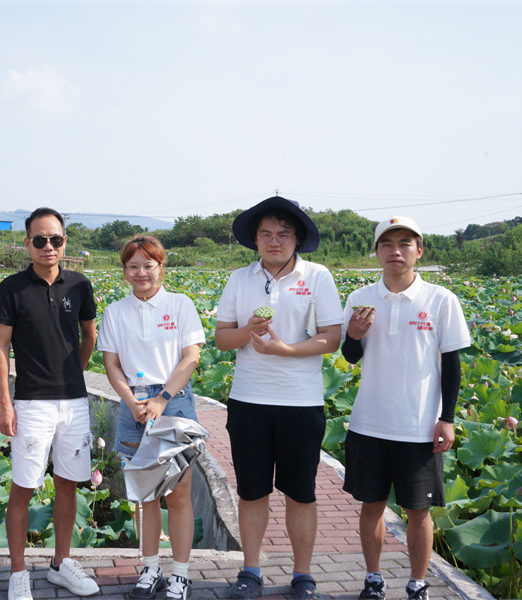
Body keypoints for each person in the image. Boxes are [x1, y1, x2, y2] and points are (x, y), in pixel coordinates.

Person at [214, 196, 343, 600]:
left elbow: (332, 338)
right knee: (251, 492)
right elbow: (222, 338)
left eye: (284, 234)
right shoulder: (240, 279)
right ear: (255, 239)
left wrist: (285, 349)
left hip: (301, 403)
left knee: (301, 493)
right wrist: (248, 331)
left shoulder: (318, 276)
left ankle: (303, 575)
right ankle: (250, 571)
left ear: (297, 239)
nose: (274, 241)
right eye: (266, 233)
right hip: (249, 401)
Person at [341, 217, 470, 600]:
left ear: (419, 250)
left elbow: (452, 365)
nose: (395, 251)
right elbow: (350, 356)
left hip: (419, 425)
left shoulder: (441, 300)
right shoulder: (360, 298)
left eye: (404, 243)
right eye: (386, 244)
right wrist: (354, 336)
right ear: (376, 251)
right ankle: (373, 579)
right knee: (371, 507)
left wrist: (447, 419)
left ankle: (417, 584)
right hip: (369, 423)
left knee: (419, 512)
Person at [0, 207, 100, 600]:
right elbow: (0, 347)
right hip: (31, 403)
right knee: (23, 487)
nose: (48, 246)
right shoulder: (12, 288)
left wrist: (72, 371)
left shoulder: (80, 285)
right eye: (40, 240)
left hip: (74, 403)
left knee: (68, 484)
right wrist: (5, 403)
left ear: (64, 242)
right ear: (28, 243)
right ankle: (18, 572)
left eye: (55, 239)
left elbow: (89, 336)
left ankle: (60, 564)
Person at [98, 236, 204, 600]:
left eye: (148, 265)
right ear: (124, 269)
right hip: (133, 406)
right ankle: (150, 568)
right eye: (133, 266)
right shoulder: (115, 312)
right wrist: (130, 401)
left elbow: (191, 357)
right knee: (144, 495)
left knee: (178, 494)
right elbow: (111, 364)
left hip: (173, 401)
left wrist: (162, 398)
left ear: (161, 266)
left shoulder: (180, 304)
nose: (141, 273)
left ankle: (180, 575)